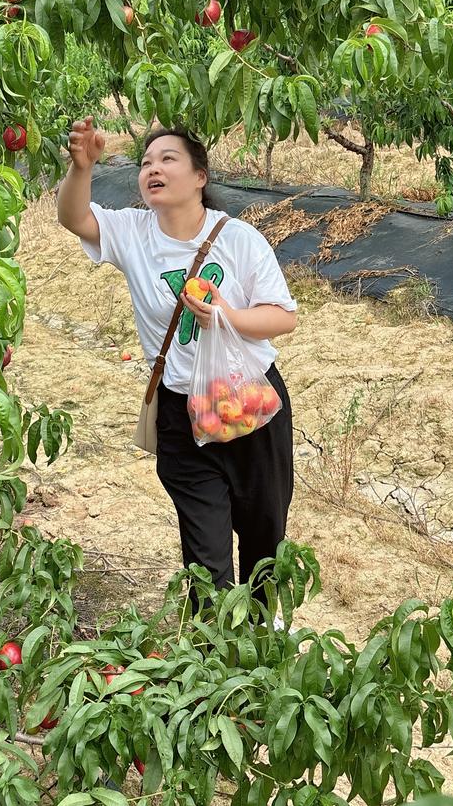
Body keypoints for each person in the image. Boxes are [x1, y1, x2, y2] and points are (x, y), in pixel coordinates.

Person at [56, 115, 297, 607]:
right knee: (205, 559)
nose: (153, 169)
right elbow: (74, 218)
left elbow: (282, 317)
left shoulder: (239, 239)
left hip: (248, 404)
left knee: (264, 540)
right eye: (146, 162)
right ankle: (212, 644)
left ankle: (262, 638)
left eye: (168, 159)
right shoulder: (133, 232)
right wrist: (82, 168)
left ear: (200, 176)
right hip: (181, 413)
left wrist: (226, 316)